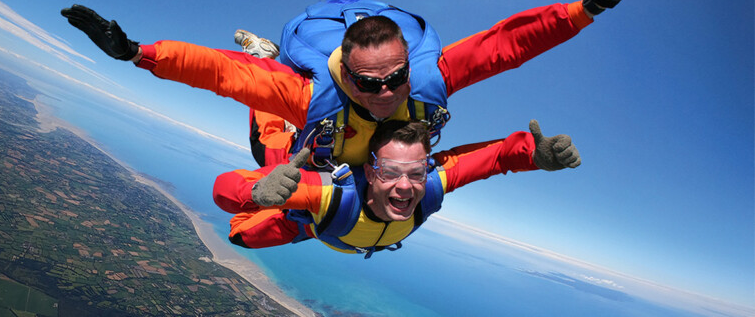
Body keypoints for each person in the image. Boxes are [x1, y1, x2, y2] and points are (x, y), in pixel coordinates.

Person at [61, 0, 656, 167]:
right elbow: (221, 73)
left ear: (405, 68)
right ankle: (272, 51)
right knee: (277, 151)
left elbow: (506, 47)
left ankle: (277, 63)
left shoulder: (426, 78)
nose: (382, 94)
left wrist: (589, 8)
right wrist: (139, 52)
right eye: (366, 84)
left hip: (355, 40)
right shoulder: (311, 90)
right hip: (306, 64)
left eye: (391, 81)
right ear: (345, 73)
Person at [212, 119, 581, 256]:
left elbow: (495, 158)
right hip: (308, 219)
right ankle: (263, 61)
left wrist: (535, 154)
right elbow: (225, 188)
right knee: (269, 150)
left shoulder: (431, 185)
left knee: (244, 235)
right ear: (370, 172)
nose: (405, 187)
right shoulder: (326, 192)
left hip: (328, 227)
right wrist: (255, 193)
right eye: (390, 171)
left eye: (416, 172)